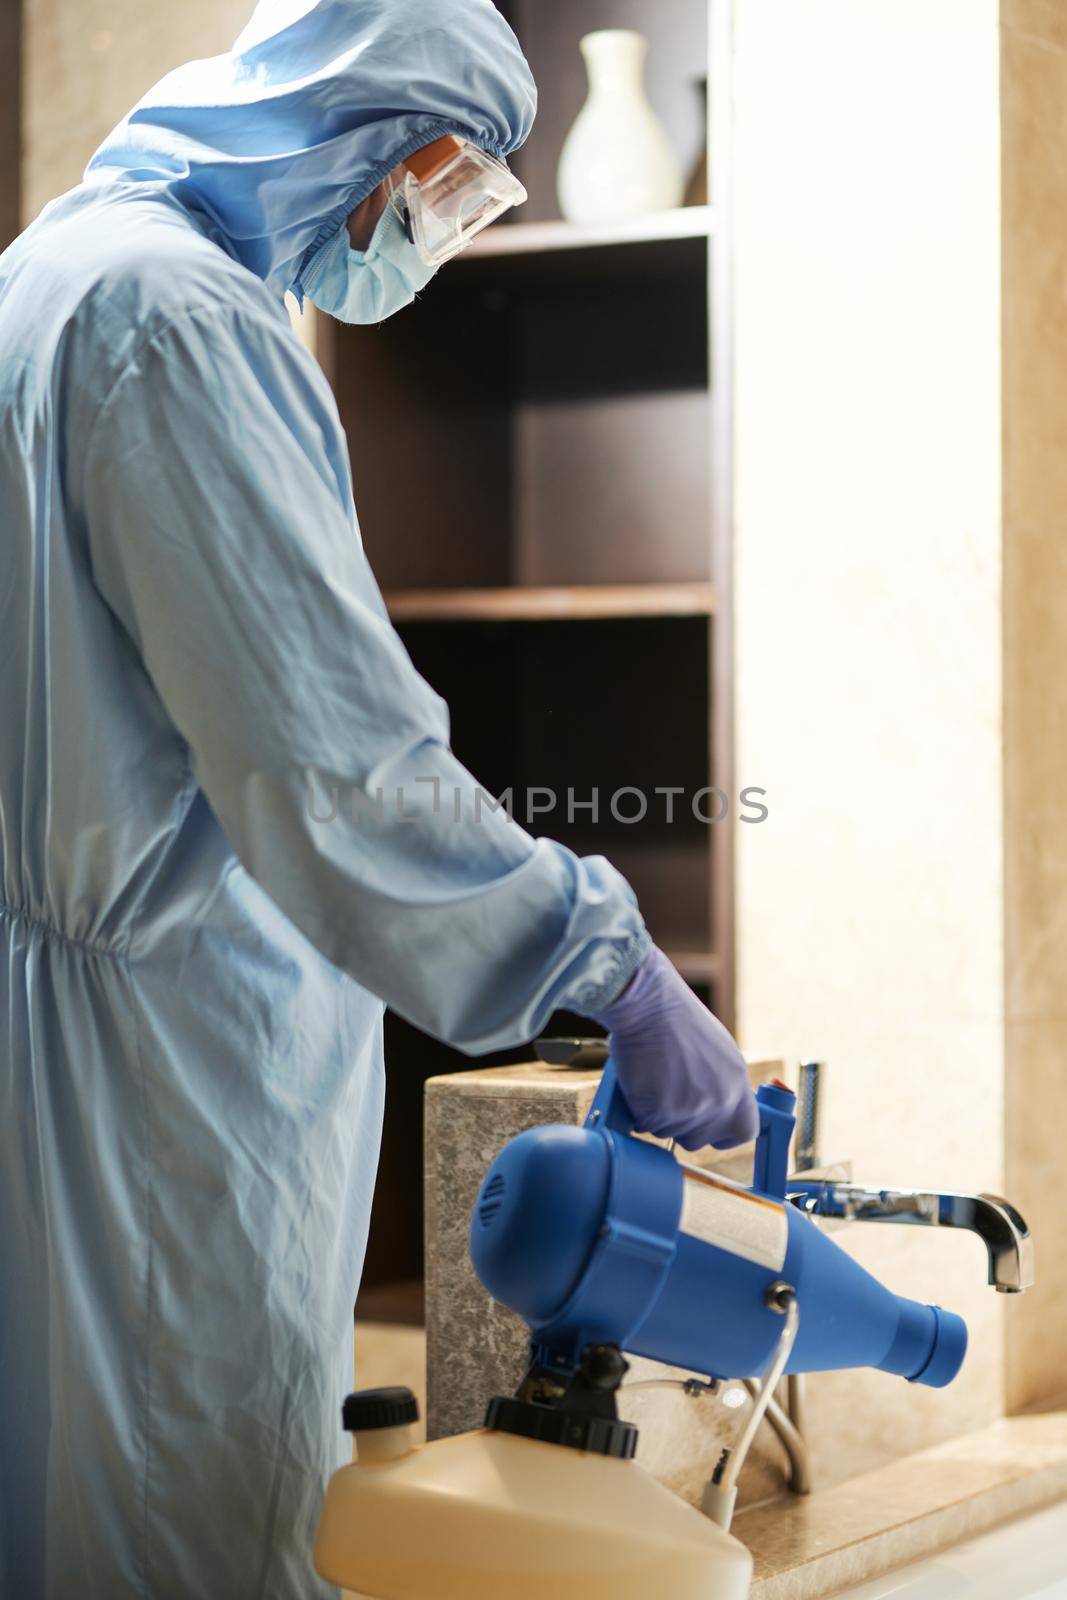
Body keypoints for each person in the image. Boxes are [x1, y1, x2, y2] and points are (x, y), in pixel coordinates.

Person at [0, 1, 758, 1594]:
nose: (440, 233)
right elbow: (335, 768)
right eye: (455, 185)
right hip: (165, 1071)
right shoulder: (177, 323)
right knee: (179, 1519)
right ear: (356, 132)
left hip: (58, 1023)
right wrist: (602, 957)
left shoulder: (48, 279)